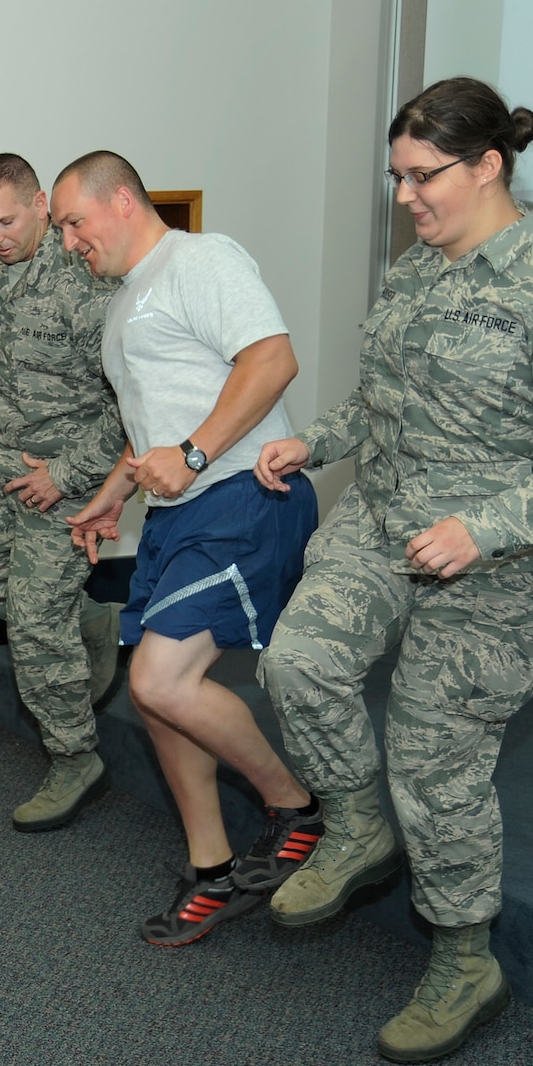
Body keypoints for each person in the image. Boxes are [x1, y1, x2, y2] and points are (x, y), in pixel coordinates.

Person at [254, 78, 533, 1062]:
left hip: (492, 569)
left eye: (423, 176)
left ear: (486, 166)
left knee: (433, 764)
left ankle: (465, 960)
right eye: (395, 176)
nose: (404, 197)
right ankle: (351, 822)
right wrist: (318, 443)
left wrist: (483, 527)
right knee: (293, 660)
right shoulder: (413, 273)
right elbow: (376, 400)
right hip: (380, 521)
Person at [52, 151, 320, 947]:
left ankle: (298, 809)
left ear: (123, 200)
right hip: (178, 511)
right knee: (157, 694)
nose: (68, 241)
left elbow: (272, 359)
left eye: (74, 222)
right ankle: (211, 867)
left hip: (243, 494)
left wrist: (197, 453)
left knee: (160, 677)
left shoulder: (202, 259)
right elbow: (159, 424)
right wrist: (118, 488)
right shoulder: (123, 302)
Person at [0, 153, 127, 832]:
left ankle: (75, 759)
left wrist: (62, 477)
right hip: (7, 461)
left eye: (5, 221)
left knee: (35, 617)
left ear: (41, 203)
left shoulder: (88, 276)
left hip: (72, 474)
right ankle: (84, 616)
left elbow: (127, 407)